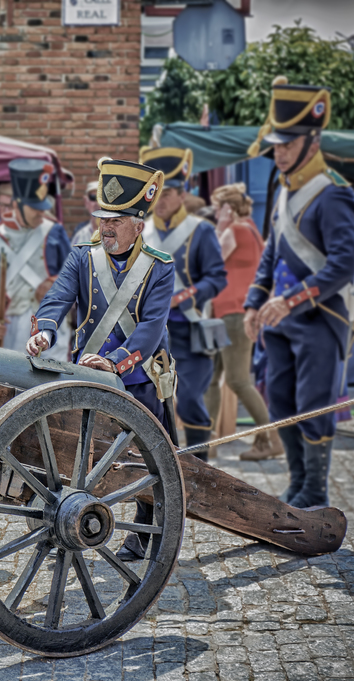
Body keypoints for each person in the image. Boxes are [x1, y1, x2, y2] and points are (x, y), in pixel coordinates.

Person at [27, 157, 175, 562]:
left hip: (137, 377)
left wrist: (117, 361)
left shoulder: (160, 269)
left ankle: (145, 531)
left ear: (138, 225)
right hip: (86, 374)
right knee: (77, 452)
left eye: (116, 220)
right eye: (102, 219)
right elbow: (58, 298)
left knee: (148, 459)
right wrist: (45, 329)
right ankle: (69, 522)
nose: (105, 227)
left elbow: (152, 327)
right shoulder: (81, 257)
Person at [244, 77, 354, 509]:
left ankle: (315, 488)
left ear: (313, 141)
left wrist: (290, 300)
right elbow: (272, 252)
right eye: (275, 144)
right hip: (280, 322)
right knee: (281, 402)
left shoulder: (333, 195)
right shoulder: (284, 190)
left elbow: (342, 265)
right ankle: (296, 483)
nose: (278, 152)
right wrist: (253, 302)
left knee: (313, 404)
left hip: (320, 319)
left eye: (287, 144)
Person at [139, 146, 228, 453]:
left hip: (189, 329)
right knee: (151, 404)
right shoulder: (142, 233)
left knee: (189, 400)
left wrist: (185, 295)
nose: (159, 202)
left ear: (181, 195)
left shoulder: (200, 231)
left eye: (165, 194)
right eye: (155, 194)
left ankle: (201, 470)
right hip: (151, 332)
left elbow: (217, 277)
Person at [202, 183, 282, 461]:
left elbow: (208, 261)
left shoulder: (234, 231)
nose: (213, 212)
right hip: (229, 314)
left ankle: (270, 438)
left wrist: (219, 226)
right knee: (211, 379)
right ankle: (205, 442)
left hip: (233, 314)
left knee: (236, 380)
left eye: (217, 207)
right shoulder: (251, 229)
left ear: (228, 208)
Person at [0, 159, 71, 359]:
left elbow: (73, 275)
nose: (41, 211)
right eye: (34, 207)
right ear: (17, 205)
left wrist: (52, 284)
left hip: (50, 325)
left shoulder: (54, 231)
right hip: (12, 328)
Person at [70, 180, 100, 245]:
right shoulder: (80, 234)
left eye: (101, 198)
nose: (97, 203)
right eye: (93, 197)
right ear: (86, 201)